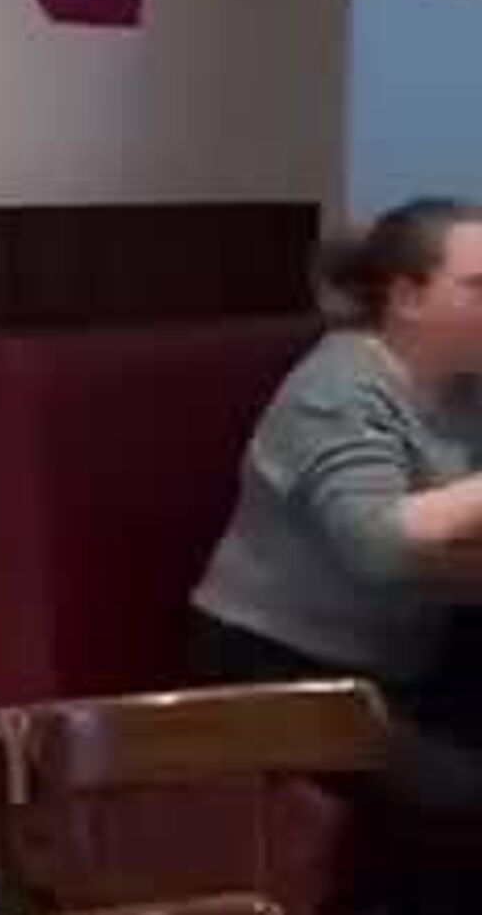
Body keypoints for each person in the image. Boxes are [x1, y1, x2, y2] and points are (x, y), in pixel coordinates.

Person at [188, 198, 482, 898]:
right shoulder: (335, 391)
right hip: (281, 676)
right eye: (479, 288)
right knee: (464, 792)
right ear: (408, 297)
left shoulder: (466, 389)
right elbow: (378, 545)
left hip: (405, 664)